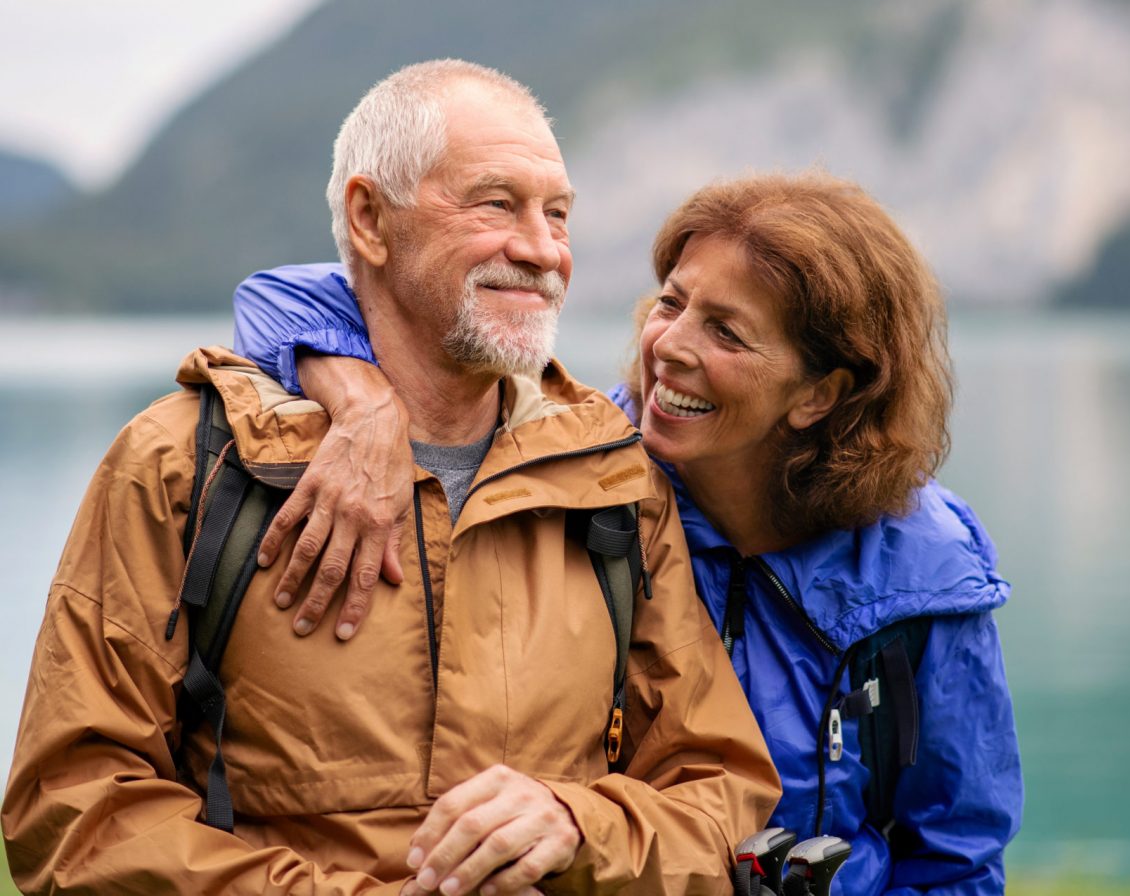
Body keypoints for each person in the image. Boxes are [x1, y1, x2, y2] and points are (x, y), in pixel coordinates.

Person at [2, 60, 781, 895]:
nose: (544, 249)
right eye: (495, 203)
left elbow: (720, 791)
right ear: (370, 219)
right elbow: (75, 813)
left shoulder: (613, 474)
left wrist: (577, 825)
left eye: (557, 213)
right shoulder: (182, 464)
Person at [230, 170, 1024, 894]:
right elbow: (276, 297)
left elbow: (956, 855)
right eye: (672, 302)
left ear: (819, 393)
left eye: (727, 332)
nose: (668, 347)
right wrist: (362, 400)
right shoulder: (585, 471)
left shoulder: (923, 572)